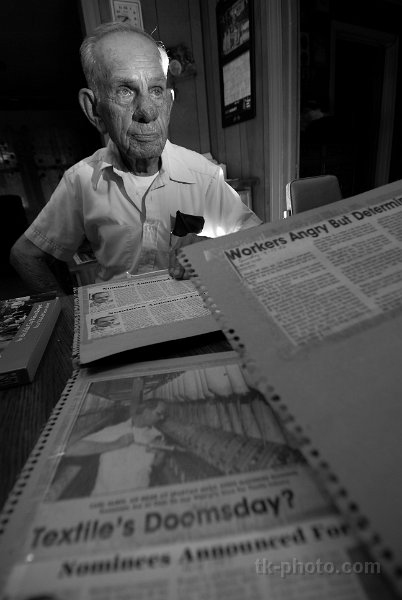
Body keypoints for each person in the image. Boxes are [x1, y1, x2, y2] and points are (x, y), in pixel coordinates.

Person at [10, 22, 261, 294]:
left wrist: (215, 251)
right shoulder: (80, 180)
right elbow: (25, 255)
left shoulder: (204, 175)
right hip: (116, 313)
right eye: (125, 91)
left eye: (156, 90)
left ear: (169, 103)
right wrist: (69, 314)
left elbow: (260, 241)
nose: (148, 112)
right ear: (94, 110)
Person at [65, 399, 169, 495]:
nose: (162, 418)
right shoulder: (114, 431)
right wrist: (116, 444)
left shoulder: (158, 436)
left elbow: (155, 466)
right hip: (106, 496)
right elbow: (71, 449)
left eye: (163, 415)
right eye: (159, 414)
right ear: (145, 411)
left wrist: (161, 455)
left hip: (137, 497)